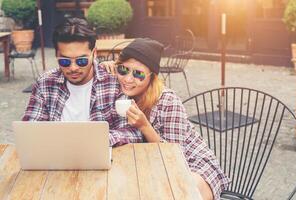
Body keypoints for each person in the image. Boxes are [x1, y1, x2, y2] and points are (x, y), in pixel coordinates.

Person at [101, 38, 230, 200]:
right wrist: (101, 65)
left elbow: (177, 157)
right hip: (151, 167)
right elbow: (81, 65)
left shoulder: (168, 100)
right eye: (123, 70)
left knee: (182, 194)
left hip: (192, 164)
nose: (128, 79)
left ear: (152, 77)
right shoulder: (119, 89)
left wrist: (145, 126)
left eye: (138, 74)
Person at [22, 17, 144, 147]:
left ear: (94, 53)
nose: (73, 68)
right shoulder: (45, 83)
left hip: (101, 155)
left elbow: (133, 132)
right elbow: (30, 130)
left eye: (81, 61)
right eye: (65, 61)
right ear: (56, 55)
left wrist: (97, 141)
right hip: (57, 156)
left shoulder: (114, 82)